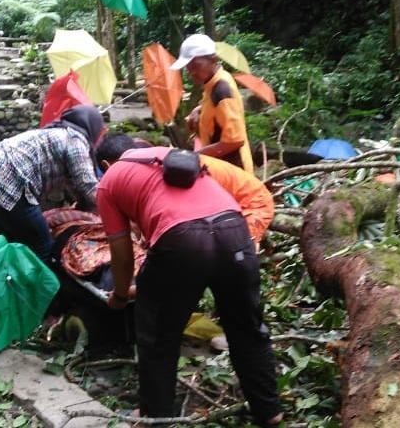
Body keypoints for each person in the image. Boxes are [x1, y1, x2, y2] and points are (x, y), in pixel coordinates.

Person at [94, 135, 282, 426]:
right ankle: (269, 410)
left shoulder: (109, 181)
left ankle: (156, 415)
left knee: (158, 335)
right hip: (234, 230)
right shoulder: (170, 155)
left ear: (106, 165)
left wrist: (120, 295)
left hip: (183, 241)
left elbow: (121, 255)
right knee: (248, 327)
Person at [0, 105, 105, 262]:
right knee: (42, 244)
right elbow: (88, 187)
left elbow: (74, 183)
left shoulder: (53, 133)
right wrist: (115, 214)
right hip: (5, 186)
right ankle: (41, 285)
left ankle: (8, 280)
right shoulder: (75, 140)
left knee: (16, 239)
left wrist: (83, 204)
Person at [98, 133, 274, 245]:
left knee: (238, 251)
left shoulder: (171, 167)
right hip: (224, 204)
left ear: (108, 165)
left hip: (252, 202)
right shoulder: (155, 162)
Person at [170, 34, 255, 174]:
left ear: (213, 59)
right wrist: (198, 110)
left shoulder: (222, 89)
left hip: (233, 170)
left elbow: (234, 141)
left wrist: (195, 157)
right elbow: (215, 106)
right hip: (219, 166)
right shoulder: (212, 82)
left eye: (196, 65)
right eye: (188, 67)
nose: (191, 72)